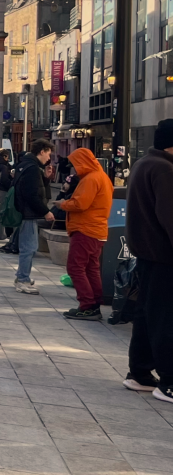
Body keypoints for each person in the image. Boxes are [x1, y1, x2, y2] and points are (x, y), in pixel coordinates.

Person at [122, 119, 173, 401]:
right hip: (163, 255)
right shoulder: (165, 169)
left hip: (146, 253)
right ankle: (170, 381)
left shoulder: (144, 164)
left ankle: (139, 372)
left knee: (146, 314)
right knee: (164, 318)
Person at [57, 148, 113, 321]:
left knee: (75, 267)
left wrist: (63, 204)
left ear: (82, 162)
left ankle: (87, 305)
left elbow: (80, 204)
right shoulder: (102, 177)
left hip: (85, 229)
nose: (73, 168)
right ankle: (94, 303)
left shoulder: (90, 179)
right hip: (97, 230)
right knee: (91, 268)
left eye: (75, 164)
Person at [12, 138, 56, 294]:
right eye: (48, 154)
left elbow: (33, 188)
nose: (49, 158)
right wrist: (45, 211)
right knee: (29, 248)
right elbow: (31, 194)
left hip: (24, 211)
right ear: (42, 151)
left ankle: (22, 276)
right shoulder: (32, 168)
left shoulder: (25, 165)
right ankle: (22, 279)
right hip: (28, 213)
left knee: (29, 246)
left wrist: (45, 178)